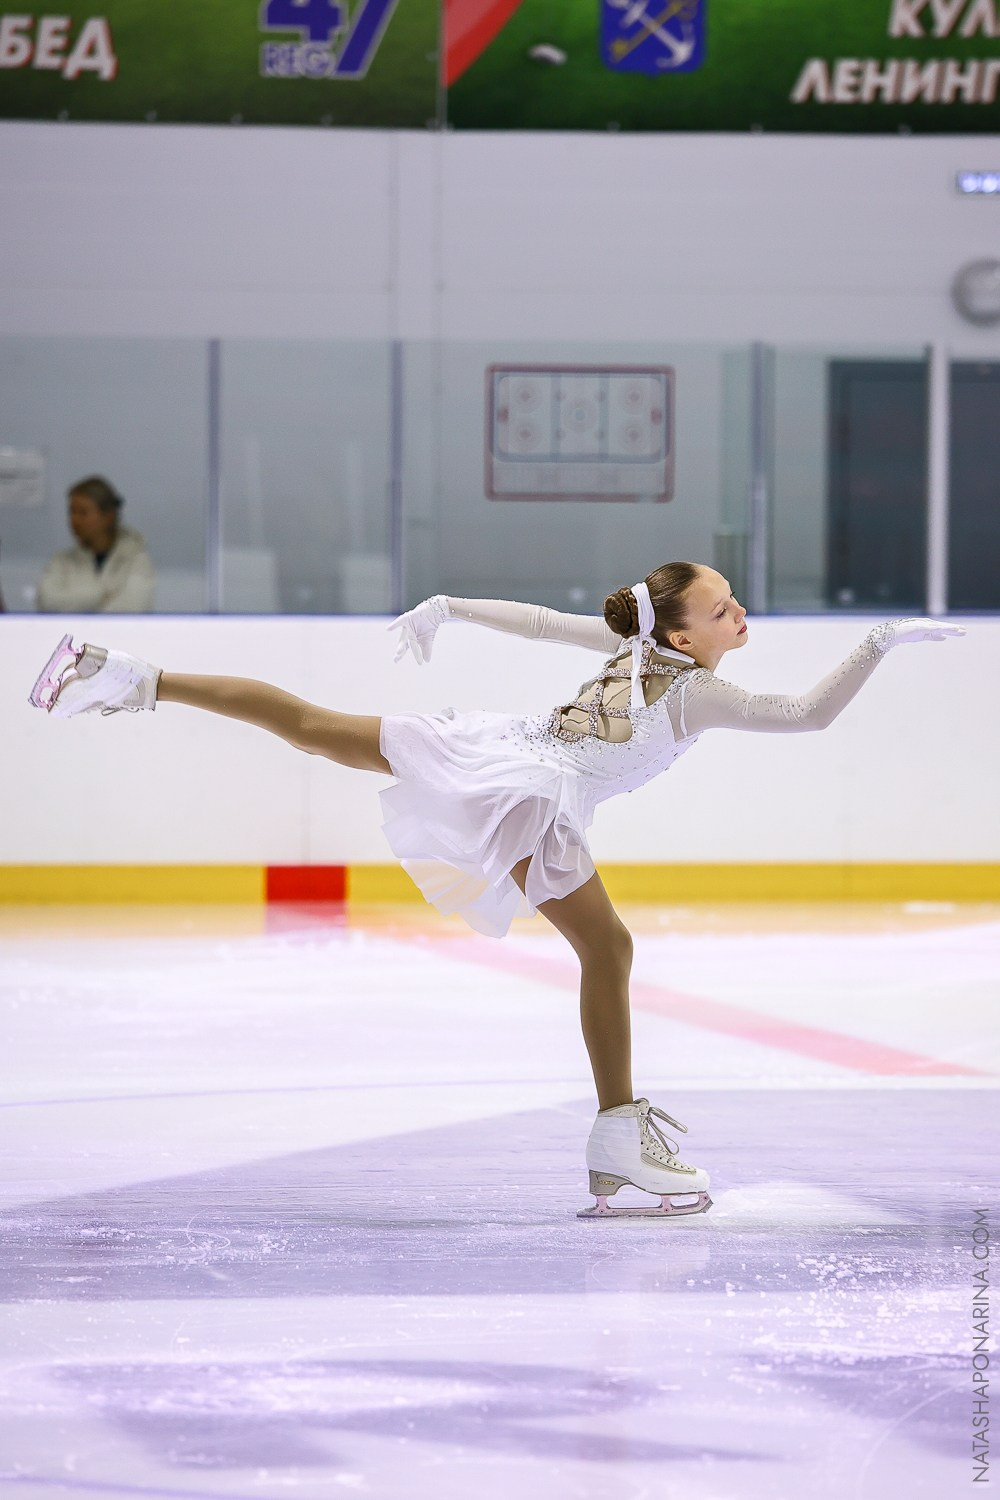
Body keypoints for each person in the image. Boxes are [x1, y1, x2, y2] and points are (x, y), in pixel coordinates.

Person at [27, 563, 965, 1218]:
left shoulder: (641, 649)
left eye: (734, 605)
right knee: (609, 950)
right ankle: (618, 1138)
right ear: (680, 631)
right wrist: (878, 641)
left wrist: (450, 604)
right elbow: (801, 715)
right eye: (724, 610)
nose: (740, 617)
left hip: (493, 749)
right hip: (525, 792)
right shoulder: (695, 691)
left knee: (316, 728)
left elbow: (533, 621)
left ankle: (130, 679)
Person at [37, 476, 155, 614]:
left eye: (83, 513)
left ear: (108, 516)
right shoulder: (61, 561)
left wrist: (79, 607)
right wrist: (102, 595)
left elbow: (132, 608)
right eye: (71, 512)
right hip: (71, 636)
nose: (74, 521)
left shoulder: (136, 559)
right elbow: (47, 602)